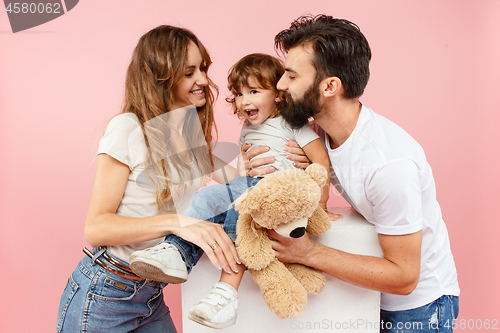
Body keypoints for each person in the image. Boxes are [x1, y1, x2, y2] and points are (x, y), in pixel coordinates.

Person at [244, 15, 460, 333]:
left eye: (291, 75)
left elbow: (404, 276)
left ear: (330, 86)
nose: (280, 85)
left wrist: (308, 252)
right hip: (366, 297)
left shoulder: (388, 164)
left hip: (419, 308)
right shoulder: (314, 133)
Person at [128, 53, 337, 329]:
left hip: (277, 195)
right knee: (206, 196)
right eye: (239, 94)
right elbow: (243, 171)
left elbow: (320, 161)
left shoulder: (292, 124)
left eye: (254, 91)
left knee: (239, 210)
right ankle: (174, 251)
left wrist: (320, 206)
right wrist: (241, 170)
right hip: (249, 186)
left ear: (277, 94)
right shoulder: (247, 127)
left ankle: (226, 291)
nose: (244, 100)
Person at [55, 25, 242, 333]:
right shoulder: (128, 128)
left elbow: (241, 184)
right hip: (104, 294)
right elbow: (96, 227)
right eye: (189, 72)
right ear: (161, 76)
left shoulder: (189, 136)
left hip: (150, 297)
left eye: (203, 69)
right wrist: (177, 222)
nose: (203, 81)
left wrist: (284, 153)